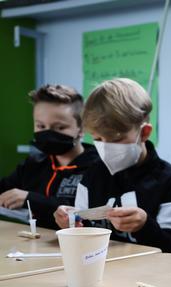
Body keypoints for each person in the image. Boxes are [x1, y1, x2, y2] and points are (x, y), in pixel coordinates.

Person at [54, 78, 171, 253]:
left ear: (144, 133)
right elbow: (82, 234)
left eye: (116, 139)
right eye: (98, 139)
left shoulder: (169, 179)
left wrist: (145, 226)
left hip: (148, 272)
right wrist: (70, 222)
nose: (106, 148)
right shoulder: (92, 174)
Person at [0, 84, 98, 228]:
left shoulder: (98, 165)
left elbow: (89, 210)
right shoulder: (33, 164)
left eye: (60, 127)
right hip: (36, 245)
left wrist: (31, 198)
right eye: (40, 126)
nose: (48, 133)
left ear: (81, 128)